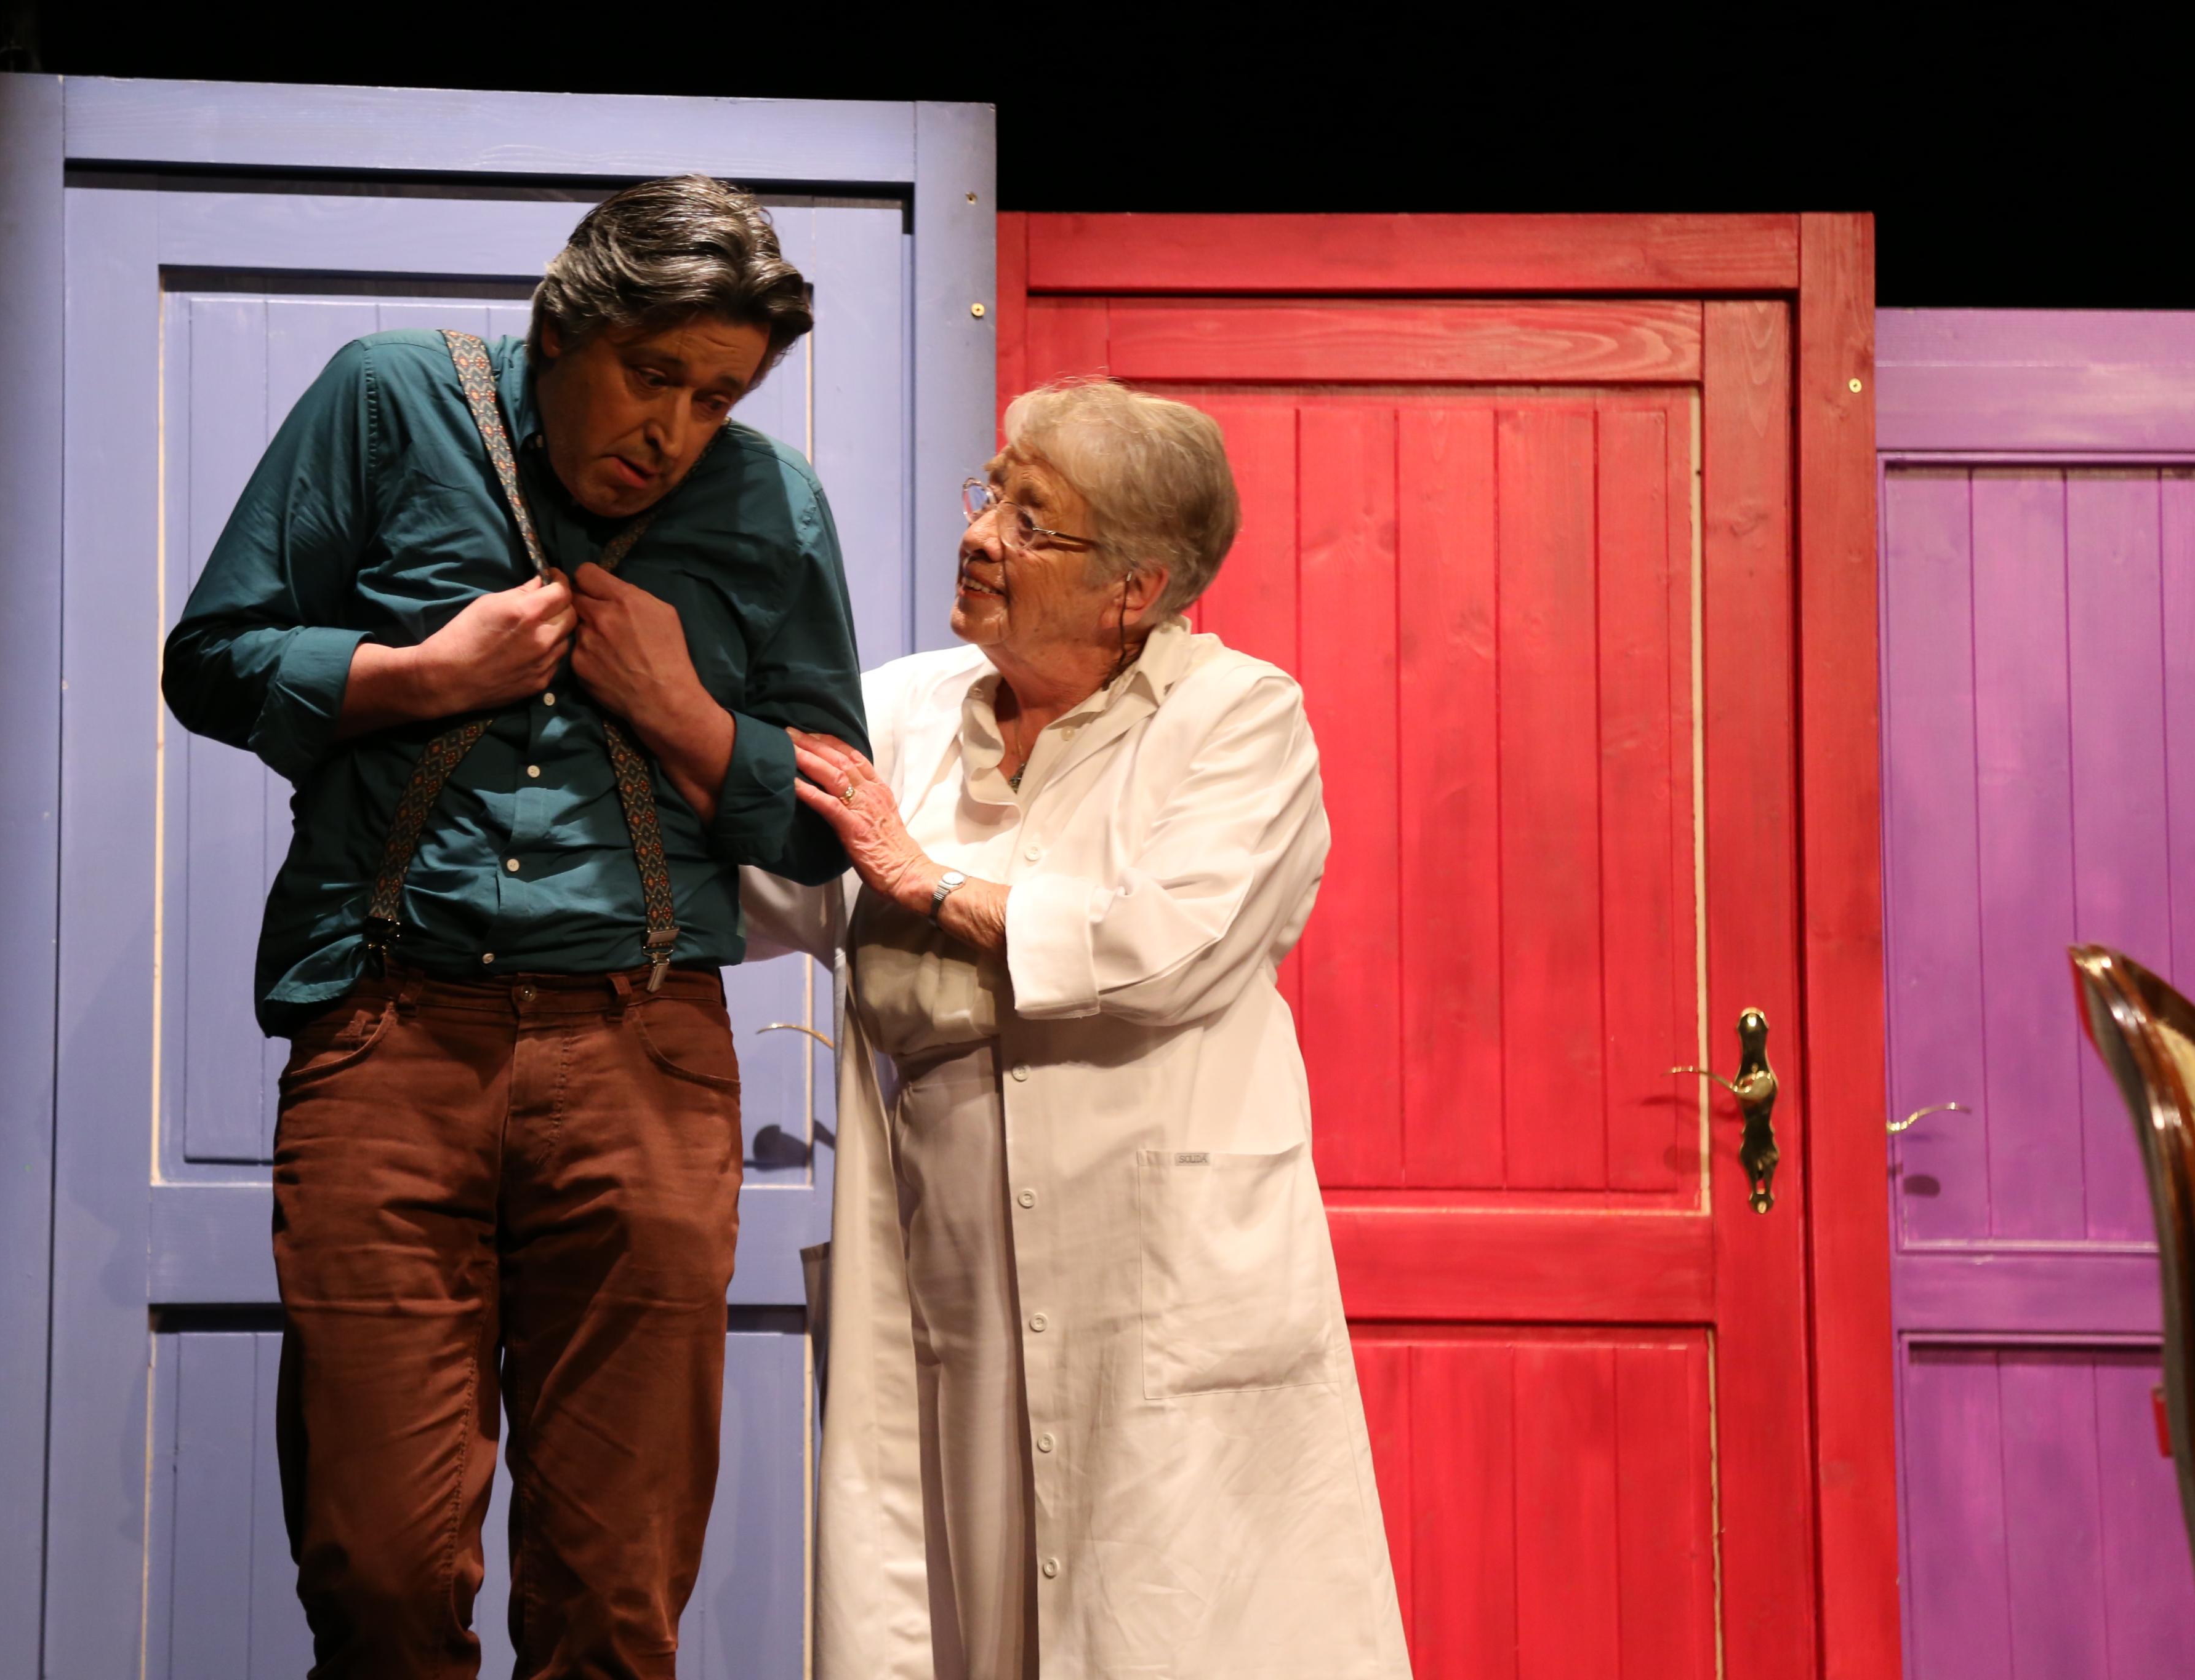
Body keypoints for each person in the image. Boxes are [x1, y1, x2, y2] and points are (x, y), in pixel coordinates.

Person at [161, 175, 869, 1680]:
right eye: (650, 373)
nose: (673, 429)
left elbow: (826, 823)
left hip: (643, 1051)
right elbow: (211, 659)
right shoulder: (389, 398)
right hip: (390, 1037)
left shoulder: (772, 507)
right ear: (561, 328)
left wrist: (682, 712)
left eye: (717, 396)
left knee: (614, 1596)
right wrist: (421, 676)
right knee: (379, 1575)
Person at [748, 379, 1411, 1679]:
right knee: (959, 1607)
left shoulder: (1237, 718)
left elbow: (1163, 944)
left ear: (1134, 588)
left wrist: (924, 881)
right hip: (949, 1275)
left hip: (1155, 1276)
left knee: (1174, 1617)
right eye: (990, 492)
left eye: (1029, 519)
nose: (979, 533)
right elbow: (762, 884)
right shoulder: (902, 712)